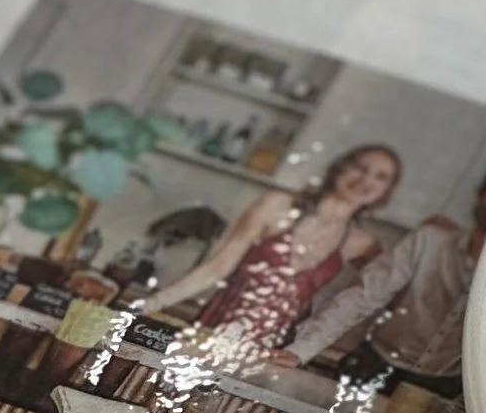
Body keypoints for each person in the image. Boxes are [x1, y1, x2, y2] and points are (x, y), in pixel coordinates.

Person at [280, 158, 486, 399]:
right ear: (482, 194)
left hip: (443, 389)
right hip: (373, 365)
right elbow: (363, 296)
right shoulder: (429, 241)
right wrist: (300, 350)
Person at [155, 146, 403, 372]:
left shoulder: (363, 244)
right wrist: (152, 303)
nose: (366, 180)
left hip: (276, 350)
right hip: (219, 326)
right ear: (341, 167)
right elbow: (217, 267)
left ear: (386, 191)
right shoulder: (278, 205)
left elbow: (378, 296)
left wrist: (319, 346)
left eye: (381, 177)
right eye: (360, 168)